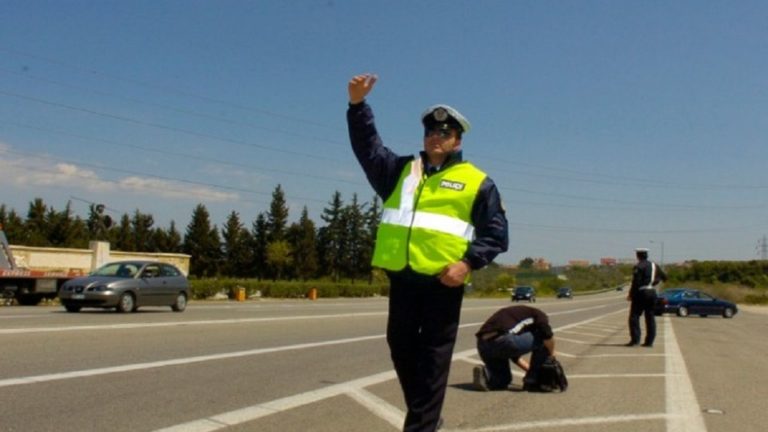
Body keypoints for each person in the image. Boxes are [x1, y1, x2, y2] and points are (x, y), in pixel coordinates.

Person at [347, 73, 508, 432]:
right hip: (402, 279)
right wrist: (358, 106)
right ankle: (428, 417)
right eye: (431, 132)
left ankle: (421, 425)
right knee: (401, 349)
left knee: (434, 361)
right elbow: (367, 147)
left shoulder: (477, 182)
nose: (435, 138)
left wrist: (467, 264)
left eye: (444, 133)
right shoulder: (400, 171)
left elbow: (496, 235)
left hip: (442, 284)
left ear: (457, 140)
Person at [473, 305, 555, 392]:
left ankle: (486, 376)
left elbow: (514, 356)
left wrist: (530, 370)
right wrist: (552, 355)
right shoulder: (539, 315)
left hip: (483, 345)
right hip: (503, 340)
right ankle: (532, 381)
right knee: (543, 340)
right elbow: (547, 333)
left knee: (503, 381)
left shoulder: (515, 317)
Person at [626, 248, 667, 347]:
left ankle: (635, 340)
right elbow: (664, 277)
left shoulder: (638, 266)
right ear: (646, 255)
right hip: (652, 292)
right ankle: (649, 342)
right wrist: (655, 282)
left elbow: (636, 283)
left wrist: (631, 294)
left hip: (641, 293)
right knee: (650, 317)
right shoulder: (654, 265)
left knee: (634, 317)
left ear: (638, 256)